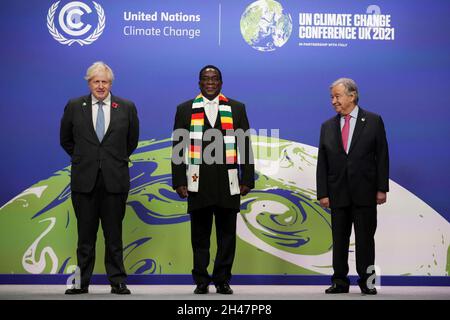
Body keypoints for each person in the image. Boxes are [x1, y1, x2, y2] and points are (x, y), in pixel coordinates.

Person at [171, 65, 254, 294]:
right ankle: (200, 279)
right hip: (198, 182)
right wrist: (179, 180)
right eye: (206, 79)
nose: (210, 82)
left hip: (228, 183)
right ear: (199, 83)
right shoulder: (185, 109)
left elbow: (245, 146)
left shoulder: (236, 108)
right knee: (199, 236)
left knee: (227, 236)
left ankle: (222, 279)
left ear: (221, 82)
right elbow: (178, 148)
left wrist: (247, 177)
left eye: (214, 78)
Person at [60, 61, 139, 295]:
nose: (101, 86)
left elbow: (131, 141)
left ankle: (117, 281)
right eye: (96, 81)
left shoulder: (126, 107)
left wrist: (111, 159)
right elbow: (66, 139)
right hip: (85, 181)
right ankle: (80, 282)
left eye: (105, 81)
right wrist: (86, 159)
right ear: (89, 82)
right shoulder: (75, 106)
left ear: (111, 83)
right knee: (85, 236)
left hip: (115, 180)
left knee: (114, 235)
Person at [316, 78, 389, 295]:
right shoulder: (327, 126)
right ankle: (339, 282)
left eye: (337, 96)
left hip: (365, 192)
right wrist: (323, 193)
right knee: (339, 241)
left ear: (352, 95)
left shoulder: (374, 121)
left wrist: (381, 188)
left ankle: (368, 282)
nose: (333, 101)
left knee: (366, 240)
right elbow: (323, 162)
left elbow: (382, 156)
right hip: (337, 193)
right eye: (332, 97)